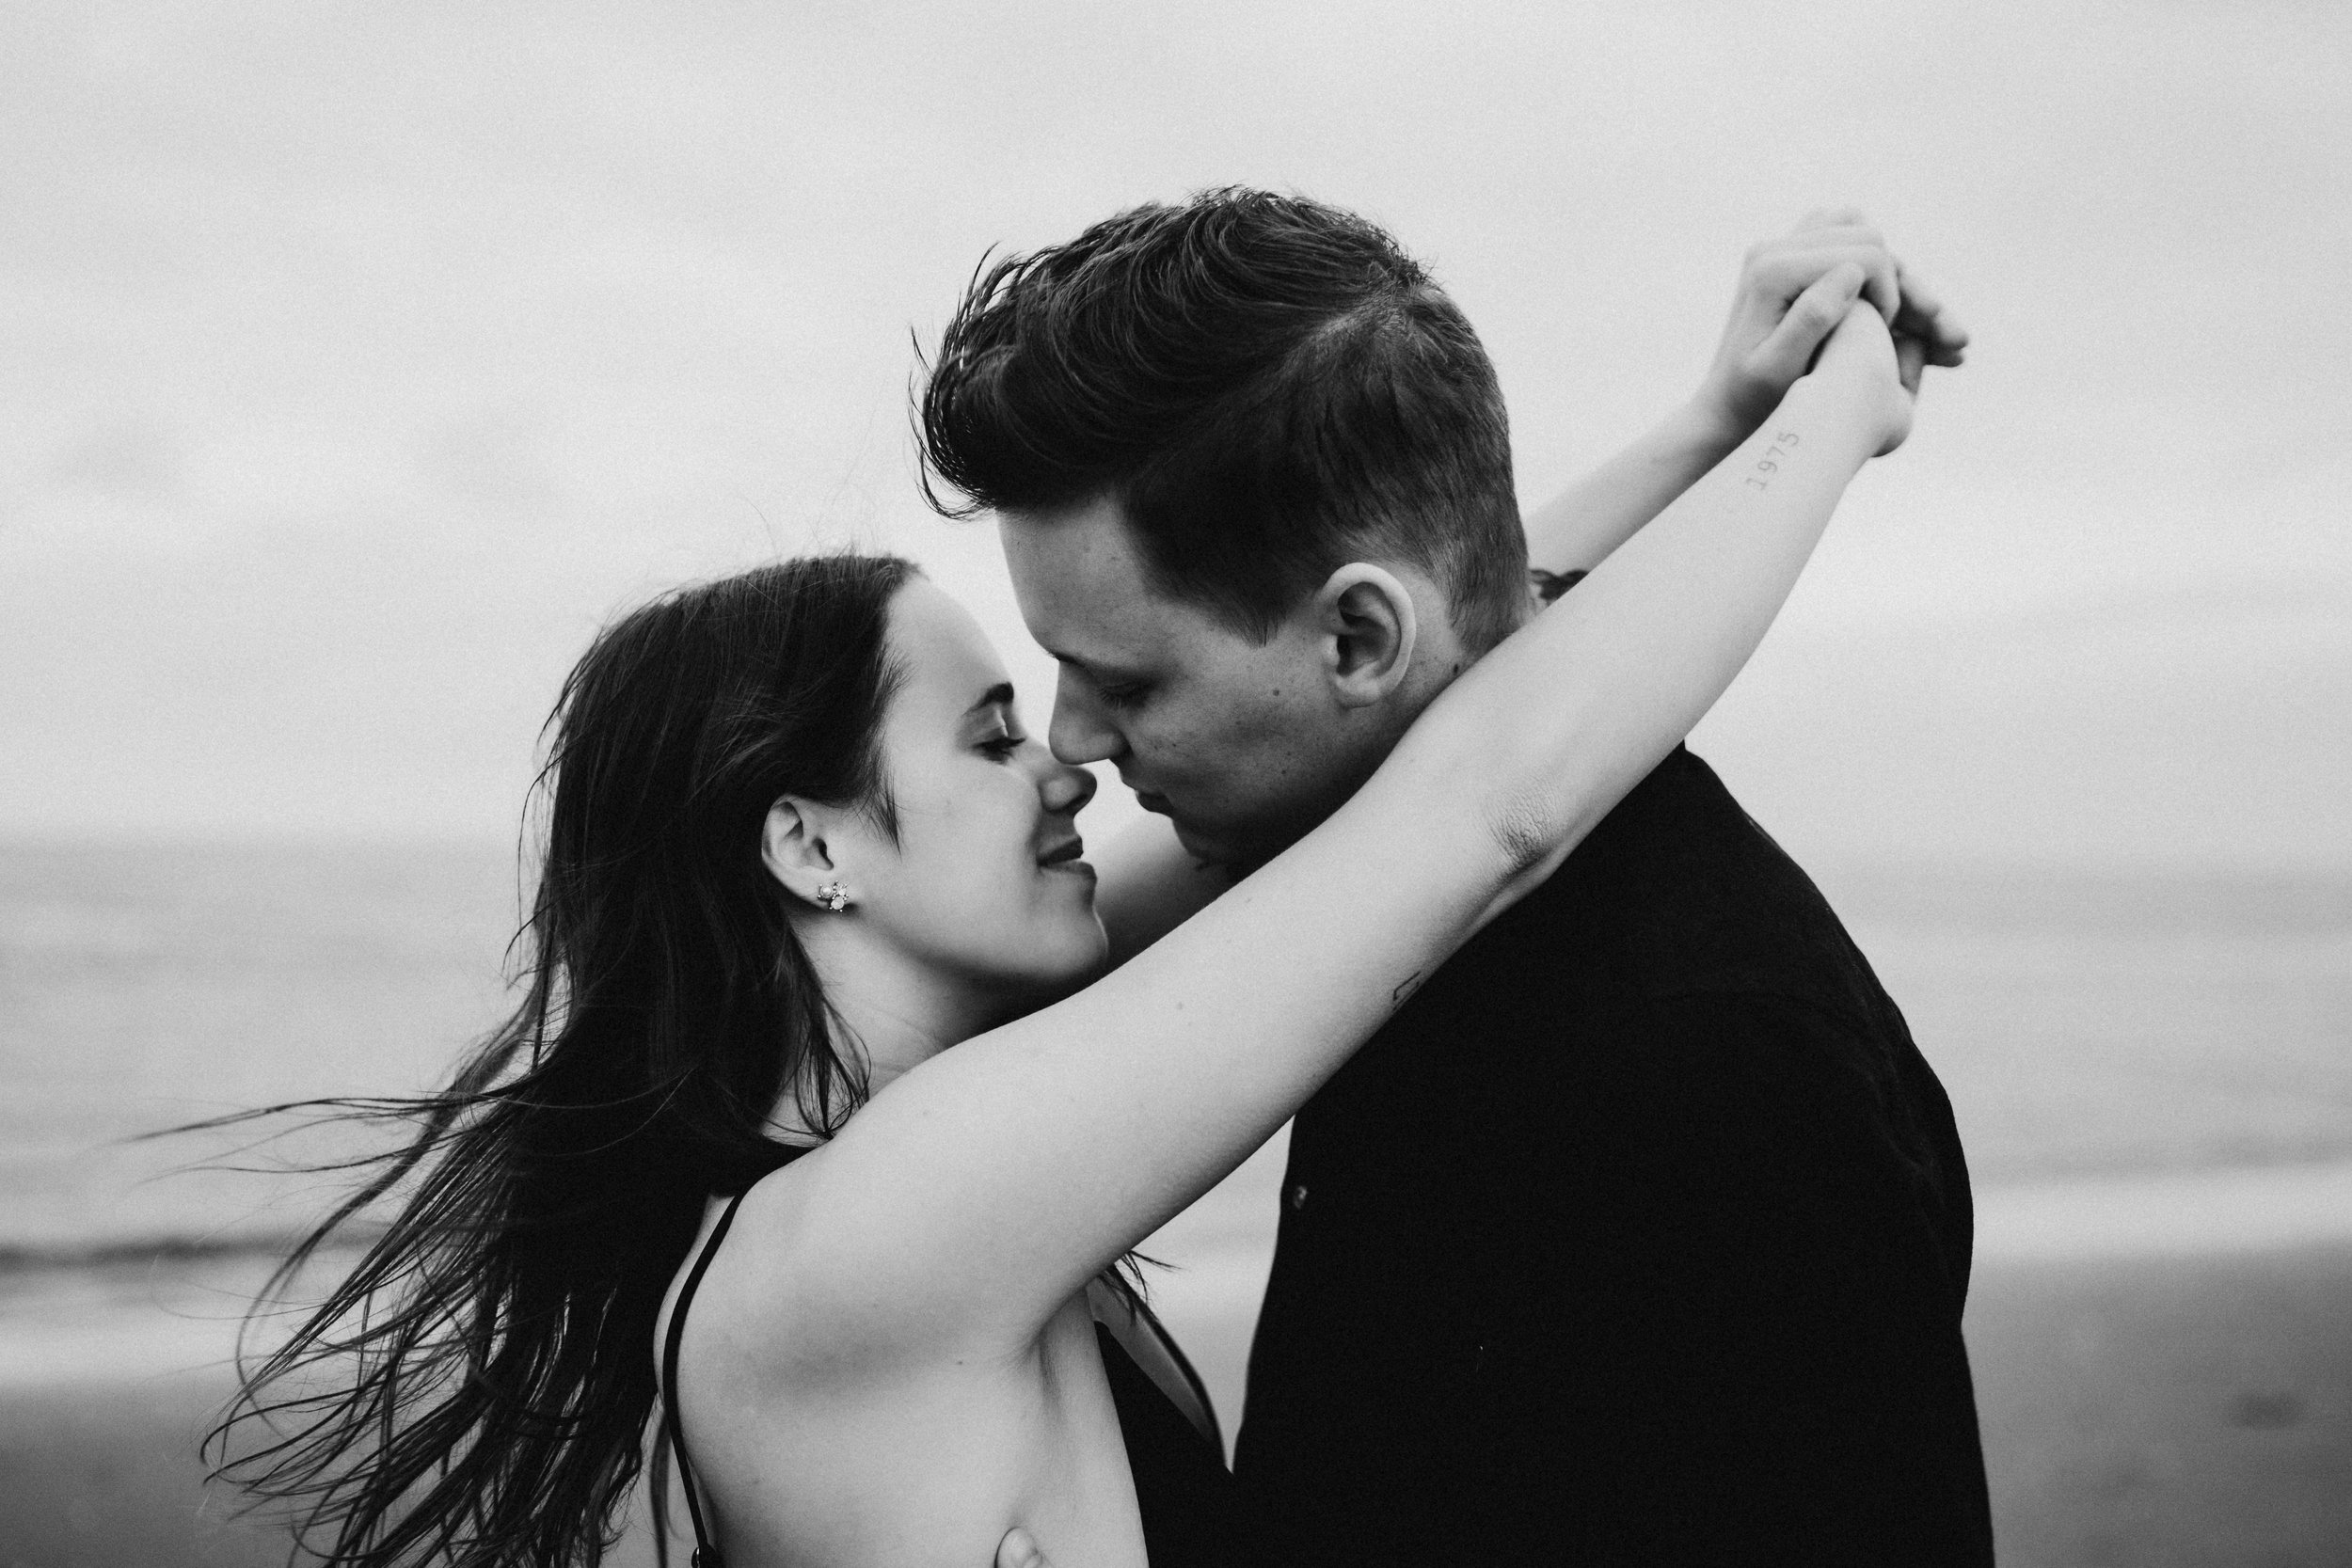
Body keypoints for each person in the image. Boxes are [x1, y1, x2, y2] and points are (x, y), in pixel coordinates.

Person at [214, 214, 1911, 1568]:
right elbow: (1476, 807)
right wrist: (1840, 411)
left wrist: (1708, 428)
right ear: (810, 848)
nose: (1076, 764)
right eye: (991, 731)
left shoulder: (937, 1139)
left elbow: (1410, 693)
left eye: (1078, 697)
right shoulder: (872, 1238)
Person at [920, 189, 1988, 1565]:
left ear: (1360, 640)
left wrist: (1797, 422)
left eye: (1125, 682)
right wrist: (1731, 423)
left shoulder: (1702, 1064)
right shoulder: (1347, 879)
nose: (1071, 745)